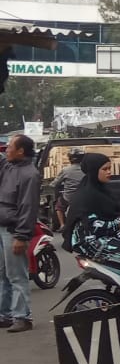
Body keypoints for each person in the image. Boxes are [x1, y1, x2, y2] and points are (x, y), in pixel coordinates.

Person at [64, 153, 120, 303]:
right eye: (105, 169)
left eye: (110, 168)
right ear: (93, 171)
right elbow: (93, 225)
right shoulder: (87, 195)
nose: (109, 172)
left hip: (104, 236)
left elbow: (113, 212)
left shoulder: (103, 191)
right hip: (89, 241)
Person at [0, 135, 40, 333]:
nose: (6, 149)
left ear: (21, 150)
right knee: (3, 274)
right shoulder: (8, 166)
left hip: (13, 230)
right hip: (2, 227)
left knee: (16, 275)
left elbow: (28, 207)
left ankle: (22, 317)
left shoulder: (29, 174)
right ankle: (5, 314)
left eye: (9, 146)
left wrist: (22, 236)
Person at [52, 147, 86, 230]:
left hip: (69, 198)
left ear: (70, 158)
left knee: (58, 206)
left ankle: (62, 224)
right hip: (84, 197)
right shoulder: (87, 169)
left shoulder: (66, 170)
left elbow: (55, 184)